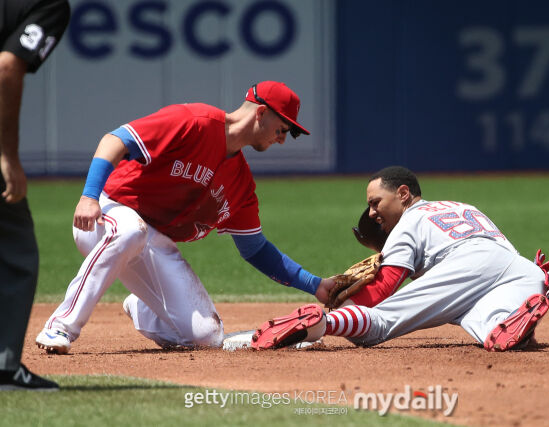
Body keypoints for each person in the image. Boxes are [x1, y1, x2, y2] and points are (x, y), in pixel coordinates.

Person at [35, 81, 335, 354]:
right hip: (107, 214)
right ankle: (61, 326)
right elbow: (115, 140)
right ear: (260, 113)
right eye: (282, 129)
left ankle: (145, 307)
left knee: (206, 337)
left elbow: (255, 249)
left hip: (151, 239)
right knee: (130, 230)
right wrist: (89, 197)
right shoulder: (195, 121)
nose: (282, 139)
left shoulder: (240, 183)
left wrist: (317, 285)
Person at [251, 166, 549, 351]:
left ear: (402, 194)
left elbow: (384, 287)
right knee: (490, 329)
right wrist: (536, 278)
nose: (372, 213)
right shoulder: (463, 206)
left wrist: (343, 303)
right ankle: (509, 321)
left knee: (378, 325)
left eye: (375, 202)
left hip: (465, 265)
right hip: (520, 269)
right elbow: (501, 255)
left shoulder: (409, 221)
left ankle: (321, 323)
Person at [0, 0, 70, 390]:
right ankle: (4, 367)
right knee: (15, 251)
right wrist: (7, 155)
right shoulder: (49, 4)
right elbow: (8, 66)